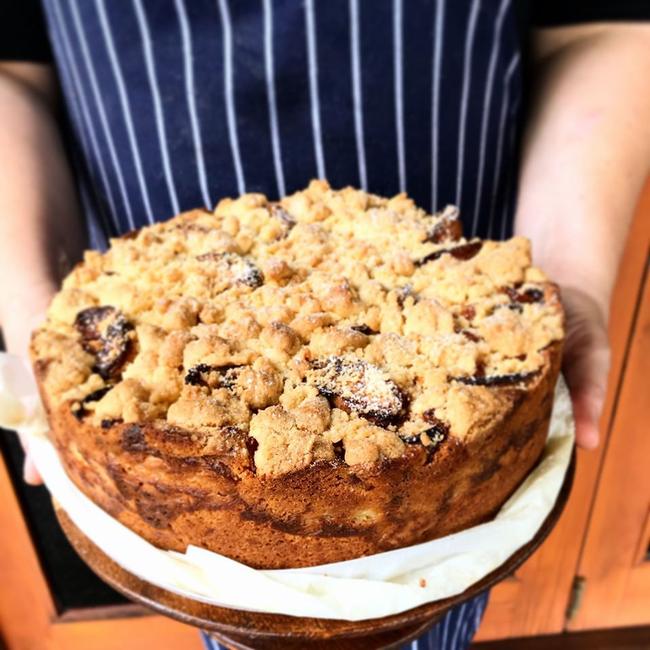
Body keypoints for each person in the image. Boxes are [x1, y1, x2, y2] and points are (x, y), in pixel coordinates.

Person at [1, 2, 649, 648]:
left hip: (447, 302)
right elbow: (12, 78)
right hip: (142, 304)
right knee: (219, 580)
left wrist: (571, 272)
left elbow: (600, 29)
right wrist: (34, 307)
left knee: (437, 603)